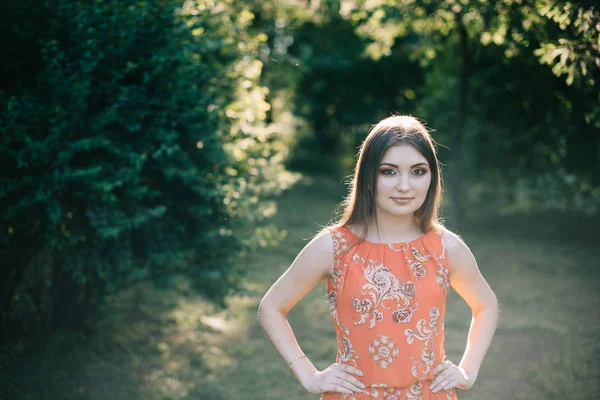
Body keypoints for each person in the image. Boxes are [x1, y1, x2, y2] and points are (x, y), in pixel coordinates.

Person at [257, 115, 499, 399]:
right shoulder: (334, 247)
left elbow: (486, 306)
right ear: (369, 176)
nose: (404, 186)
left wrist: (467, 371)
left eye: (418, 171)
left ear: (432, 177)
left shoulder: (446, 248)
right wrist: (308, 374)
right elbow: (270, 307)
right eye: (389, 171)